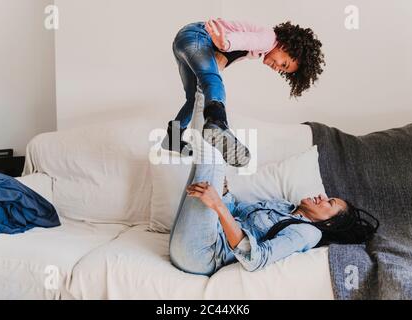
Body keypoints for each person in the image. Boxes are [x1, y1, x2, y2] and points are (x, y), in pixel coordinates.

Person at [169, 130, 379, 275]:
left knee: (212, 152)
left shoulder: (307, 233)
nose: (321, 197)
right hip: (193, 238)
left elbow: (255, 258)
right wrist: (223, 194)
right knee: (208, 158)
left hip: (204, 253)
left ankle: (209, 88)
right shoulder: (283, 206)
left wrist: (217, 206)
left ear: (330, 223)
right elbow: (236, 211)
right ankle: (195, 106)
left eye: (329, 202)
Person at [162, 18, 326, 167]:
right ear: (286, 46)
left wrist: (221, 56)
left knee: (193, 97)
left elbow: (231, 53)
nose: (278, 69)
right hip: (197, 36)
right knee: (212, 80)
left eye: (283, 70)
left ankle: (172, 139)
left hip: (183, 41)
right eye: (284, 64)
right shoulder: (268, 39)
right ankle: (216, 121)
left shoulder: (255, 51)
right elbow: (245, 40)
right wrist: (225, 43)